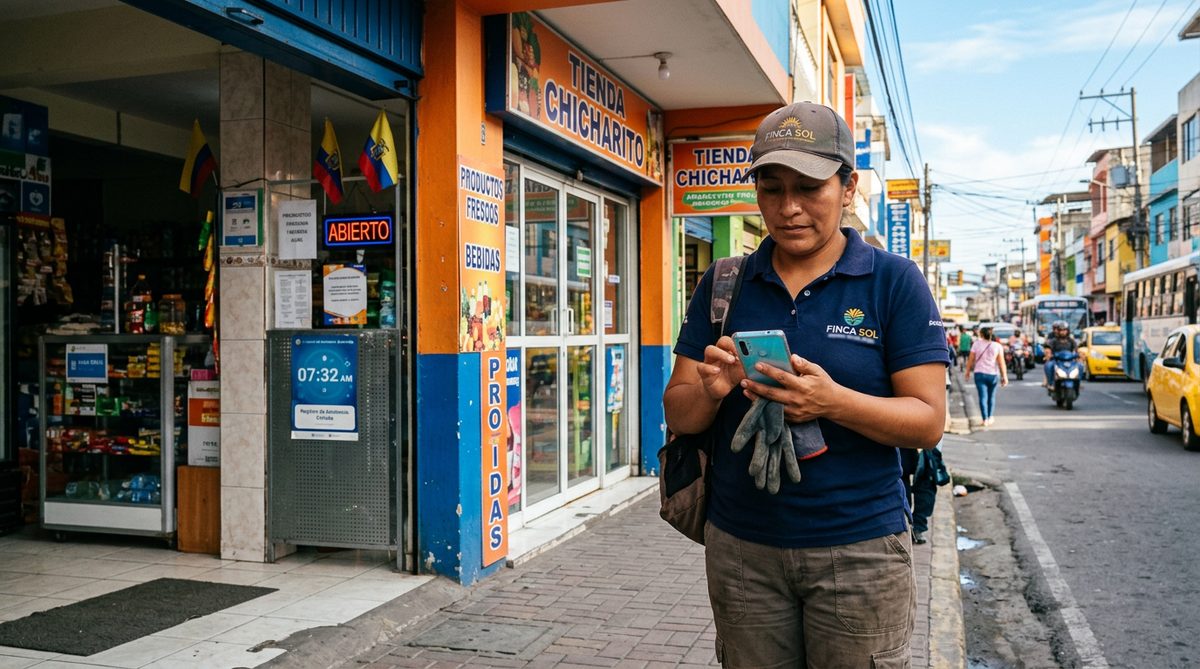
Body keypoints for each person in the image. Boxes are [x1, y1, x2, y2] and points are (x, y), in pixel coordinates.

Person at [662, 101, 949, 668]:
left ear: (848, 188)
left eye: (809, 188)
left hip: (862, 551)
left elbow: (927, 422)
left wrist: (832, 402)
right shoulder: (724, 282)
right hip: (742, 549)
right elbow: (679, 413)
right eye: (771, 189)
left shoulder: (894, 282)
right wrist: (712, 390)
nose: (788, 208)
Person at [965, 325, 1008, 426]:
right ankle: (990, 416)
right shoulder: (997, 346)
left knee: (982, 397)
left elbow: (970, 359)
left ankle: (985, 419)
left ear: (981, 334)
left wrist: (967, 371)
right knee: (991, 397)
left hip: (979, 374)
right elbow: (1001, 363)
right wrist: (1004, 376)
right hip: (993, 374)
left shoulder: (976, 344)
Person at [1042, 320, 1078, 387]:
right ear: (1058, 331)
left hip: (1070, 361)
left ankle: (1077, 383)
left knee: (1080, 366)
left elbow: (1076, 349)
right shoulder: (1053, 340)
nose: (1063, 332)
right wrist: (1048, 354)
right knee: (1048, 365)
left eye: (1064, 330)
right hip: (1056, 360)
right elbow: (1048, 348)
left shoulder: (1071, 340)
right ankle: (1050, 383)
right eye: (1061, 330)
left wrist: (1078, 355)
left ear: (1067, 331)